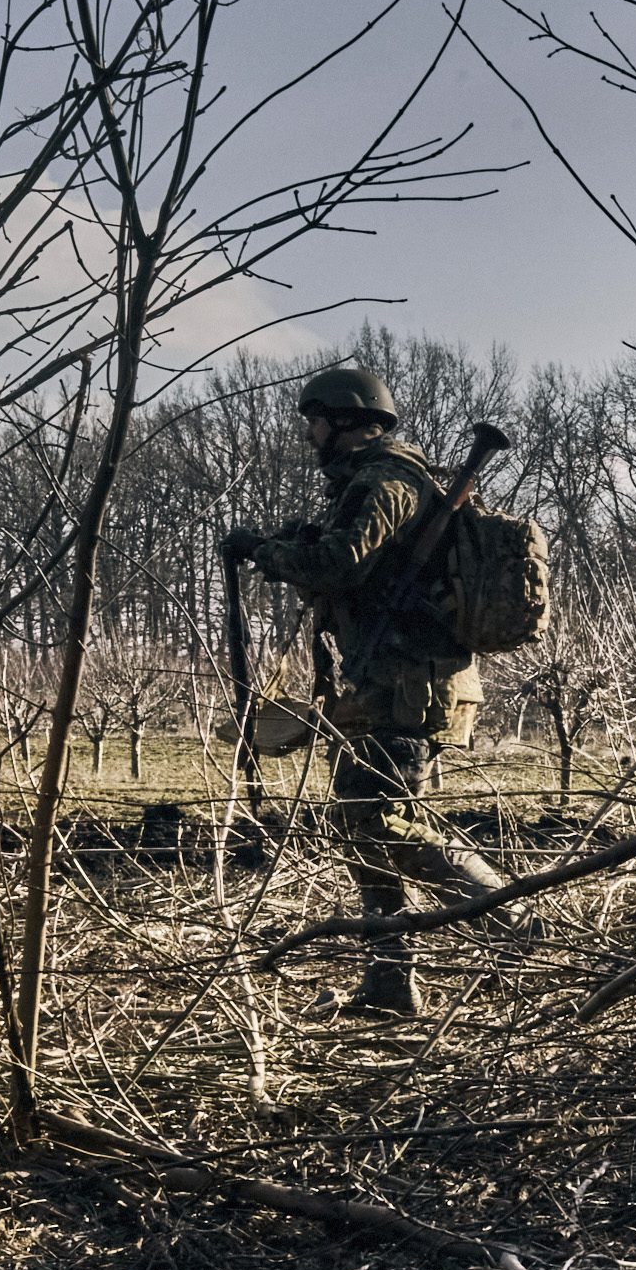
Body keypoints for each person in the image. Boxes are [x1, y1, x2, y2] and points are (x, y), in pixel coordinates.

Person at [220, 365, 511, 1020]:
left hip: (406, 688)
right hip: (389, 684)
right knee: (365, 829)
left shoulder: (384, 483)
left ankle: (511, 920)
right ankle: (388, 982)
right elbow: (350, 569)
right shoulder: (377, 484)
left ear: (345, 420)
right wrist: (294, 541)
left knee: (379, 821)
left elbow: (340, 564)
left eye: (315, 422)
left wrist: (267, 550)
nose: (309, 435)